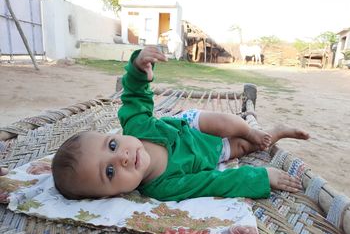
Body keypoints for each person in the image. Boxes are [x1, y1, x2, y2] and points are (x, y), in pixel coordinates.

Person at [52, 46, 310, 201]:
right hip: (209, 154)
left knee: (224, 123)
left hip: (189, 126)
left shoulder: (136, 127)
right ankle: (273, 134)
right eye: (110, 172)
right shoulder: (163, 187)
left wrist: (138, 69)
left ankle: (249, 129)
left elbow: (134, 97)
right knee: (243, 148)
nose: (123, 157)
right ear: (112, 196)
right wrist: (261, 177)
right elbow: (213, 182)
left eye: (111, 145)